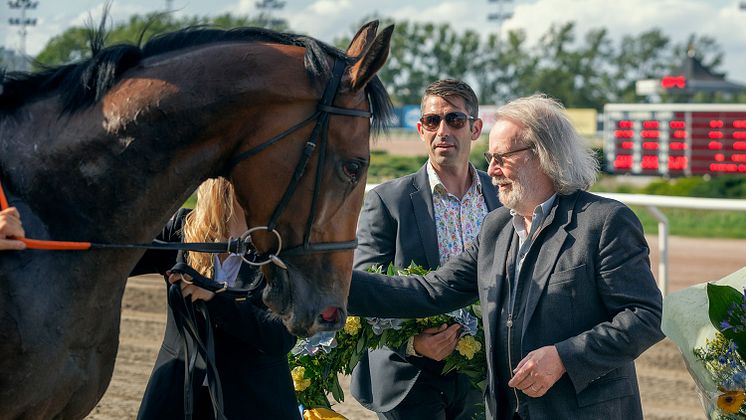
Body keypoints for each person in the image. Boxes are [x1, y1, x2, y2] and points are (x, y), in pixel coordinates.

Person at [349, 94, 664, 420]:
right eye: (490, 157)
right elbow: (431, 290)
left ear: (544, 155)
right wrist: (335, 283)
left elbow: (644, 317)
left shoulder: (605, 221)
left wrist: (563, 358)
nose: (492, 169)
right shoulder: (496, 228)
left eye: (503, 157)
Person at [351, 79, 499, 419]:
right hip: (410, 375)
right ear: (421, 129)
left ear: (475, 128)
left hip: (483, 375)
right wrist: (414, 343)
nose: (443, 130)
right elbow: (364, 290)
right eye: (433, 121)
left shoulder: (502, 195)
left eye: (455, 120)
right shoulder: (388, 202)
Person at [132, 178, 300, 420]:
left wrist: (216, 299)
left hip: (256, 402)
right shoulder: (181, 228)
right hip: (176, 396)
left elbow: (280, 338)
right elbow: (115, 257)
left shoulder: (280, 246)